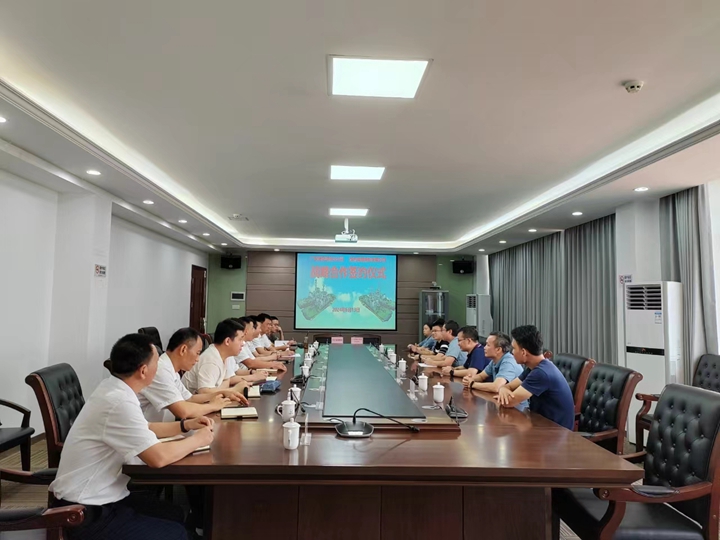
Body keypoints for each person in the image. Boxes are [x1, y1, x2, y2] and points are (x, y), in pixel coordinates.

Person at [50, 334, 214, 540]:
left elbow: (145, 427)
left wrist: (185, 425)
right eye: (157, 363)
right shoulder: (118, 401)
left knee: (174, 513)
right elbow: (158, 458)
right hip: (84, 511)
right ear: (143, 371)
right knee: (178, 533)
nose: (160, 367)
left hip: (106, 496)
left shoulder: (115, 388)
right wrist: (198, 439)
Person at [139, 327, 247, 422]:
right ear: (183, 350)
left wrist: (223, 393)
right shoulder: (161, 370)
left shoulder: (171, 369)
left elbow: (189, 398)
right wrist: (212, 406)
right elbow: (183, 411)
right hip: (151, 431)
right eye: (197, 353)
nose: (198, 359)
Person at [494, 325, 575, 429]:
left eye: (514, 348)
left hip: (556, 431)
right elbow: (508, 386)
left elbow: (509, 402)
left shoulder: (541, 373)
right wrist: (503, 389)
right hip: (541, 424)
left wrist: (504, 391)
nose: (512, 352)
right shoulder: (534, 367)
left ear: (524, 352)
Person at [182, 319, 250, 394]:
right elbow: (204, 392)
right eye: (240, 339)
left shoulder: (225, 355)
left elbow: (227, 381)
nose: (243, 343)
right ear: (227, 341)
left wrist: (219, 389)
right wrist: (234, 389)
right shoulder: (211, 360)